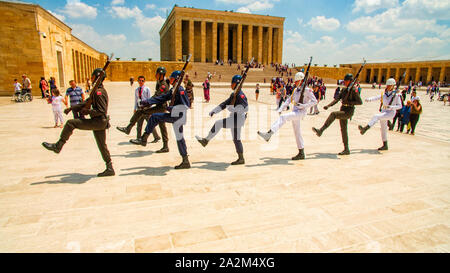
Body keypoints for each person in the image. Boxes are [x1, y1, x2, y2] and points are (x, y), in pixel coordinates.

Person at [42, 68, 115, 177]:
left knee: (71, 123)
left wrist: (87, 111)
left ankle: (58, 145)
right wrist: (72, 108)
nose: (91, 78)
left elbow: (101, 111)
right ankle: (110, 168)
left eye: (92, 76)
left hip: (98, 121)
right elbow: (86, 101)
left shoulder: (99, 92)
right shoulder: (97, 90)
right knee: (102, 145)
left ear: (96, 77)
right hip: (100, 122)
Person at [132, 70, 191, 169]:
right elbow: (161, 98)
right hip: (175, 116)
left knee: (155, 117)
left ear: (176, 79)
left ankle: (144, 138)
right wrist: (147, 102)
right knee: (179, 138)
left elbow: (185, 106)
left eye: (171, 78)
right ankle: (185, 161)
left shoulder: (180, 90)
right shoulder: (173, 89)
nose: (170, 79)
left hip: (178, 116)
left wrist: (169, 108)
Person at [258, 72, 317, 160]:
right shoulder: (296, 90)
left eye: (297, 81)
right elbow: (289, 100)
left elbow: (314, 101)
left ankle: (269, 134)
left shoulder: (307, 90)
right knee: (297, 132)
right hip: (295, 111)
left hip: (301, 112)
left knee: (283, 118)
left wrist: (304, 106)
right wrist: (281, 108)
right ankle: (301, 153)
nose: (295, 83)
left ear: (301, 81)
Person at [195, 75, 249, 165]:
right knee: (236, 139)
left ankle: (206, 140)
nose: (230, 85)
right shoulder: (234, 94)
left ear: (235, 83)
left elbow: (245, 108)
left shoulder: (240, 94)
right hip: (235, 118)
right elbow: (225, 103)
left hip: (238, 119)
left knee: (218, 123)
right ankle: (241, 158)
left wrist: (234, 109)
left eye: (232, 83)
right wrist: (215, 111)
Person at [117, 67, 170, 153]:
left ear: (161, 75)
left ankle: (129, 128)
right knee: (162, 126)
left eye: (157, 74)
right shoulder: (160, 82)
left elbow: (157, 96)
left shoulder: (163, 85)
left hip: (161, 107)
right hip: (160, 106)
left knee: (141, 111)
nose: (155, 75)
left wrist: (147, 103)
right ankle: (165, 146)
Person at [312, 73, 363, 155]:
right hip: (343, 109)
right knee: (343, 130)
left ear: (350, 81)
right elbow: (336, 99)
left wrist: (349, 102)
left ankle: (321, 130)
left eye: (346, 81)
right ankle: (346, 149)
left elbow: (360, 102)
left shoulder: (354, 90)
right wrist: (328, 105)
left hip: (348, 111)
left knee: (334, 114)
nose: (345, 82)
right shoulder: (344, 90)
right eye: (345, 81)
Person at [358, 78, 402, 151]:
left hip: (390, 113)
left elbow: (400, 106)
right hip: (384, 111)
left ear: (393, 86)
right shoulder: (384, 94)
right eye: (387, 85)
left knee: (376, 116)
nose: (387, 87)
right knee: (383, 130)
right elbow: (376, 97)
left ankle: (365, 128)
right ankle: (385, 145)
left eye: (389, 85)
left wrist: (391, 107)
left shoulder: (397, 95)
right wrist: (369, 99)